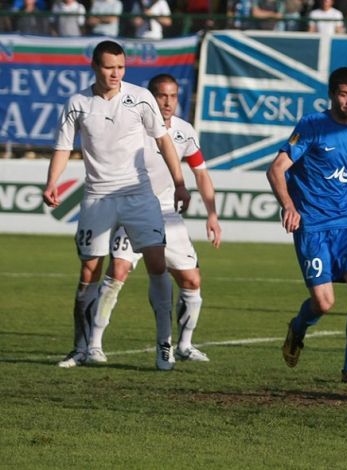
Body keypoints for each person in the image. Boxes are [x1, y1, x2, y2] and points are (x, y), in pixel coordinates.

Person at [43, 40, 191, 370]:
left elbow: (163, 140)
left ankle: (164, 345)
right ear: (95, 66)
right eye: (110, 66)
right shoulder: (79, 103)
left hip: (139, 196)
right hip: (98, 198)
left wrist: (180, 183)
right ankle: (81, 347)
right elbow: (63, 148)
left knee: (156, 264)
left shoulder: (140, 97)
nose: (116, 73)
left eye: (121, 67)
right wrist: (53, 181)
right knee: (89, 272)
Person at [267, 67, 347, 385]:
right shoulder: (312, 126)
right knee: (324, 303)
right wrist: (289, 205)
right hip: (313, 228)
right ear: (331, 95)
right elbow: (276, 170)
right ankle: (297, 328)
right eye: (344, 94)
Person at [87, 74, 222, 367]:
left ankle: (183, 345)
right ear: (150, 97)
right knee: (118, 271)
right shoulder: (132, 124)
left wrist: (212, 214)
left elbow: (201, 172)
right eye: (162, 96)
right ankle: (93, 344)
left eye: (173, 96)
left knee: (191, 279)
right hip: (133, 207)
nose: (168, 102)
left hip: (167, 214)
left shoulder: (184, 131)